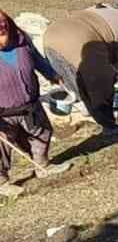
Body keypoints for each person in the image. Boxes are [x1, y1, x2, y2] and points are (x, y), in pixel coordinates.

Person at [42, 0, 118, 133]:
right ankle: (110, 127)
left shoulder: (100, 8)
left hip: (50, 37)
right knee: (100, 87)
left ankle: (86, 109)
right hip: (76, 43)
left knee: (76, 81)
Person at [0, 11, 71, 198]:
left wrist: (52, 74)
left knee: (42, 133)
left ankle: (42, 165)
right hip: (2, 113)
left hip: (29, 105)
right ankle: (2, 182)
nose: (2, 27)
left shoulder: (21, 40)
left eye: (4, 23)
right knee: (2, 148)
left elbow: (37, 59)